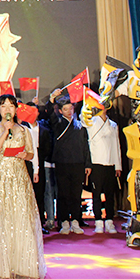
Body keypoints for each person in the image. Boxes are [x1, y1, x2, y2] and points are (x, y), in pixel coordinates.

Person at [0, 94, 46, 279]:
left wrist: (25, 155)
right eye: (3, 106)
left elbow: (31, 153)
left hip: (19, 177)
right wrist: (4, 131)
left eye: (11, 106)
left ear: (16, 109)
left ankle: (23, 265)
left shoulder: (24, 130)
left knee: (21, 217)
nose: (7, 109)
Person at [47, 91, 91, 235]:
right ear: (60, 111)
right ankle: (64, 222)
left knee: (76, 194)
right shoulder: (58, 124)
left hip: (78, 163)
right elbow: (51, 115)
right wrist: (52, 99)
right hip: (62, 163)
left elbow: (85, 146)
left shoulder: (80, 125)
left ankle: (76, 221)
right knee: (63, 194)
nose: (69, 111)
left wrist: (87, 164)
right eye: (65, 109)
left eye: (71, 108)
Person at [80, 104, 122, 234]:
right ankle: (98, 221)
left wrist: (118, 165)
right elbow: (83, 120)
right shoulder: (92, 122)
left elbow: (116, 146)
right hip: (96, 163)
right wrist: (85, 108)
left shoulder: (113, 125)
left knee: (109, 194)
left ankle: (109, 221)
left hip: (110, 163)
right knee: (96, 194)